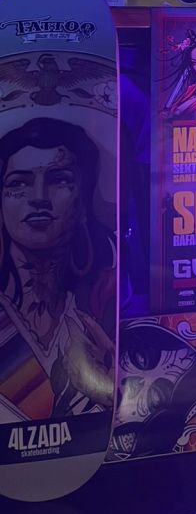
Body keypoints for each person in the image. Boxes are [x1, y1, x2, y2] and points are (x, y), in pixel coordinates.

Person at [0, 118, 115, 421]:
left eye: (59, 180)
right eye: (18, 183)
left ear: (84, 200)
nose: (39, 197)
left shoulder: (107, 300)